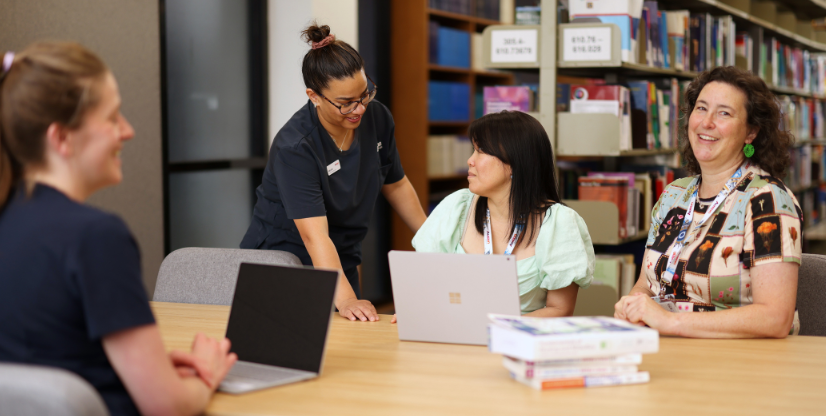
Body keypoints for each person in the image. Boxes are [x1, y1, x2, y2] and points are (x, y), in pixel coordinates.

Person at [0, 42, 237, 416]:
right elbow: (167, 406)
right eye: (112, 118)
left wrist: (143, 370)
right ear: (61, 138)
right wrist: (205, 376)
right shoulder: (94, 237)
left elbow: (42, 360)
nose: (127, 130)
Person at [240, 23, 426, 322]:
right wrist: (348, 299)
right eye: (344, 103)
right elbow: (314, 238)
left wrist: (434, 243)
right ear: (314, 96)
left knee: (350, 347)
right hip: (285, 260)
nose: (359, 109)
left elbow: (396, 183)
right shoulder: (296, 146)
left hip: (340, 256)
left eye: (365, 94)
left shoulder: (377, 117)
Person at [614, 66, 802, 338]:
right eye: (701, 108)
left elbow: (775, 317)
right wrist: (631, 307)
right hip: (669, 351)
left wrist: (672, 322)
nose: (706, 122)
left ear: (751, 133)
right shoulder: (673, 195)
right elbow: (646, 285)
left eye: (724, 113)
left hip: (740, 364)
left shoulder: (767, 199)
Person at [408, 111, 594, 318]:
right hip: (453, 335)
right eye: (473, 150)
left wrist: (493, 329)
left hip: (520, 341)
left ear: (515, 161)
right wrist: (416, 310)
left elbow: (560, 309)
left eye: (481, 151)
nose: (470, 160)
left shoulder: (559, 222)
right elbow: (427, 286)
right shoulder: (457, 206)